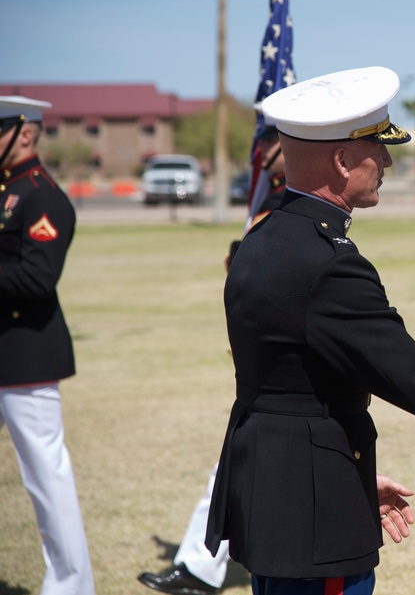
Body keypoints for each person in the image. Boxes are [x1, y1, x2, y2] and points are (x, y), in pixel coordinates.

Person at [204, 66, 415, 595]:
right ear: (342, 160)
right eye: (377, 148)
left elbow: (291, 390)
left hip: (276, 500)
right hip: (316, 518)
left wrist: (353, 477)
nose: (387, 160)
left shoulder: (259, 240)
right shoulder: (330, 263)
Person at [137, 124, 288, 595]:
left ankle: (204, 563)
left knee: (252, 458)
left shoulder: (289, 204)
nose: (260, 153)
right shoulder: (272, 197)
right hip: (262, 348)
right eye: (260, 143)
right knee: (245, 458)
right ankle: (203, 563)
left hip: (280, 355)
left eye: (270, 144)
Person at [0, 95, 95, 595]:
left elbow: (37, 278)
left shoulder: (42, 196)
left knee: (45, 480)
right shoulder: (6, 190)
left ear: (26, 133)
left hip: (25, 355)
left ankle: (72, 585)